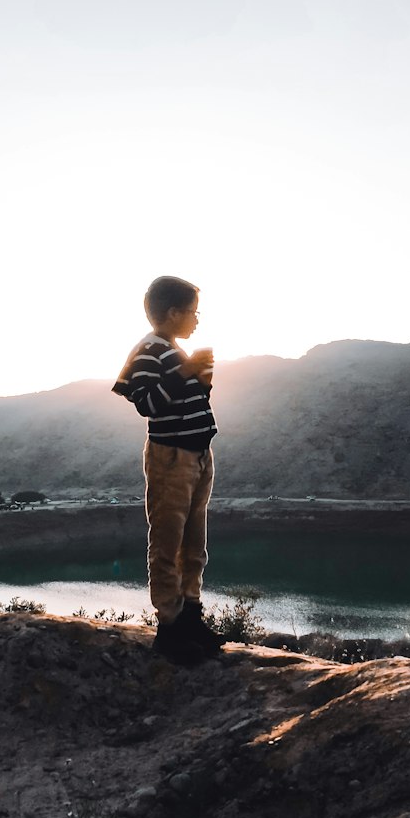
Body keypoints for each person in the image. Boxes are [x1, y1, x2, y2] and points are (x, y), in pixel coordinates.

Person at [113, 275, 226, 665]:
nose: (197, 320)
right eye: (193, 312)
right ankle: (170, 629)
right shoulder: (149, 350)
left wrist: (201, 379)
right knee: (167, 544)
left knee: (194, 546)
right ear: (173, 312)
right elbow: (147, 404)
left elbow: (186, 400)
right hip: (171, 457)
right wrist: (185, 372)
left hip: (197, 455)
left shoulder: (176, 351)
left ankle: (191, 617)